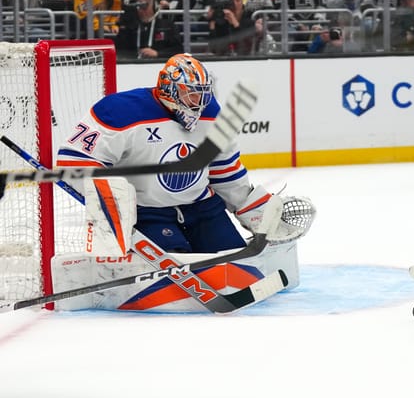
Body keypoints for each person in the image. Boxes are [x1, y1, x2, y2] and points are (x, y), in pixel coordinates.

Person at [54, 53, 301, 256]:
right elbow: (74, 161)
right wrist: (111, 204)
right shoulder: (120, 112)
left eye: (203, 93)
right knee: (174, 259)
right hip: (148, 213)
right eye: (191, 93)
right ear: (168, 88)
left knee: (234, 257)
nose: (200, 102)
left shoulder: (211, 113)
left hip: (203, 208)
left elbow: (223, 168)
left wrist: (247, 205)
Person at [115, 0, 183, 59]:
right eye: (139, 4)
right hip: (134, 65)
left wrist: (158, 54)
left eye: (146, 4)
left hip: (159, 64)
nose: (142, 8)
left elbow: (178, 50)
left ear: (155, 7)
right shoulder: (130, 27)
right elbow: (120, 50)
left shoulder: (167, 26)